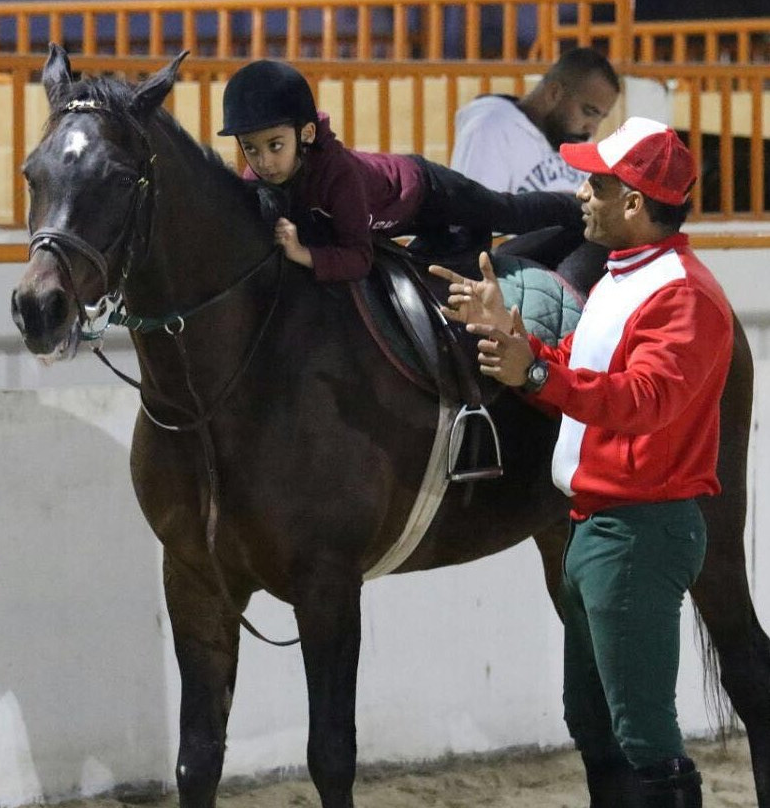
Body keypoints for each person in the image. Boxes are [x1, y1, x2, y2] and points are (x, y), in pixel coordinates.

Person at [431, 117, 732, 808]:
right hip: (600, 528)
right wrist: (514, 339)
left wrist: (534, 377)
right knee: (594, 723)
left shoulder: (680, 294)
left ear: (632, 202)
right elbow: (582, 373)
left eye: (595, 183)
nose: (580, 194)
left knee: (644, 737)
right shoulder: (629, 278)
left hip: (636, 531)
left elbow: (643, 400)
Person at [218, 59, 584, 283]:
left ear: (307, 134)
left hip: (426, 193)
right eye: (250, 148)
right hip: (391, 222)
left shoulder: (338, 174)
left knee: (508, 213)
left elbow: (359, 258)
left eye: (275, 145)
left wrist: (303, 254)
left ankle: (580, 207)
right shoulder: (258, 181)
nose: (263, 162)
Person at [450, 47, 620, 194]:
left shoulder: (575, 138)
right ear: (554, 93)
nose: (592, 129)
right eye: (588, 112)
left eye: (600, 118)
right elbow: (473, 221)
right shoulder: (489, 130)